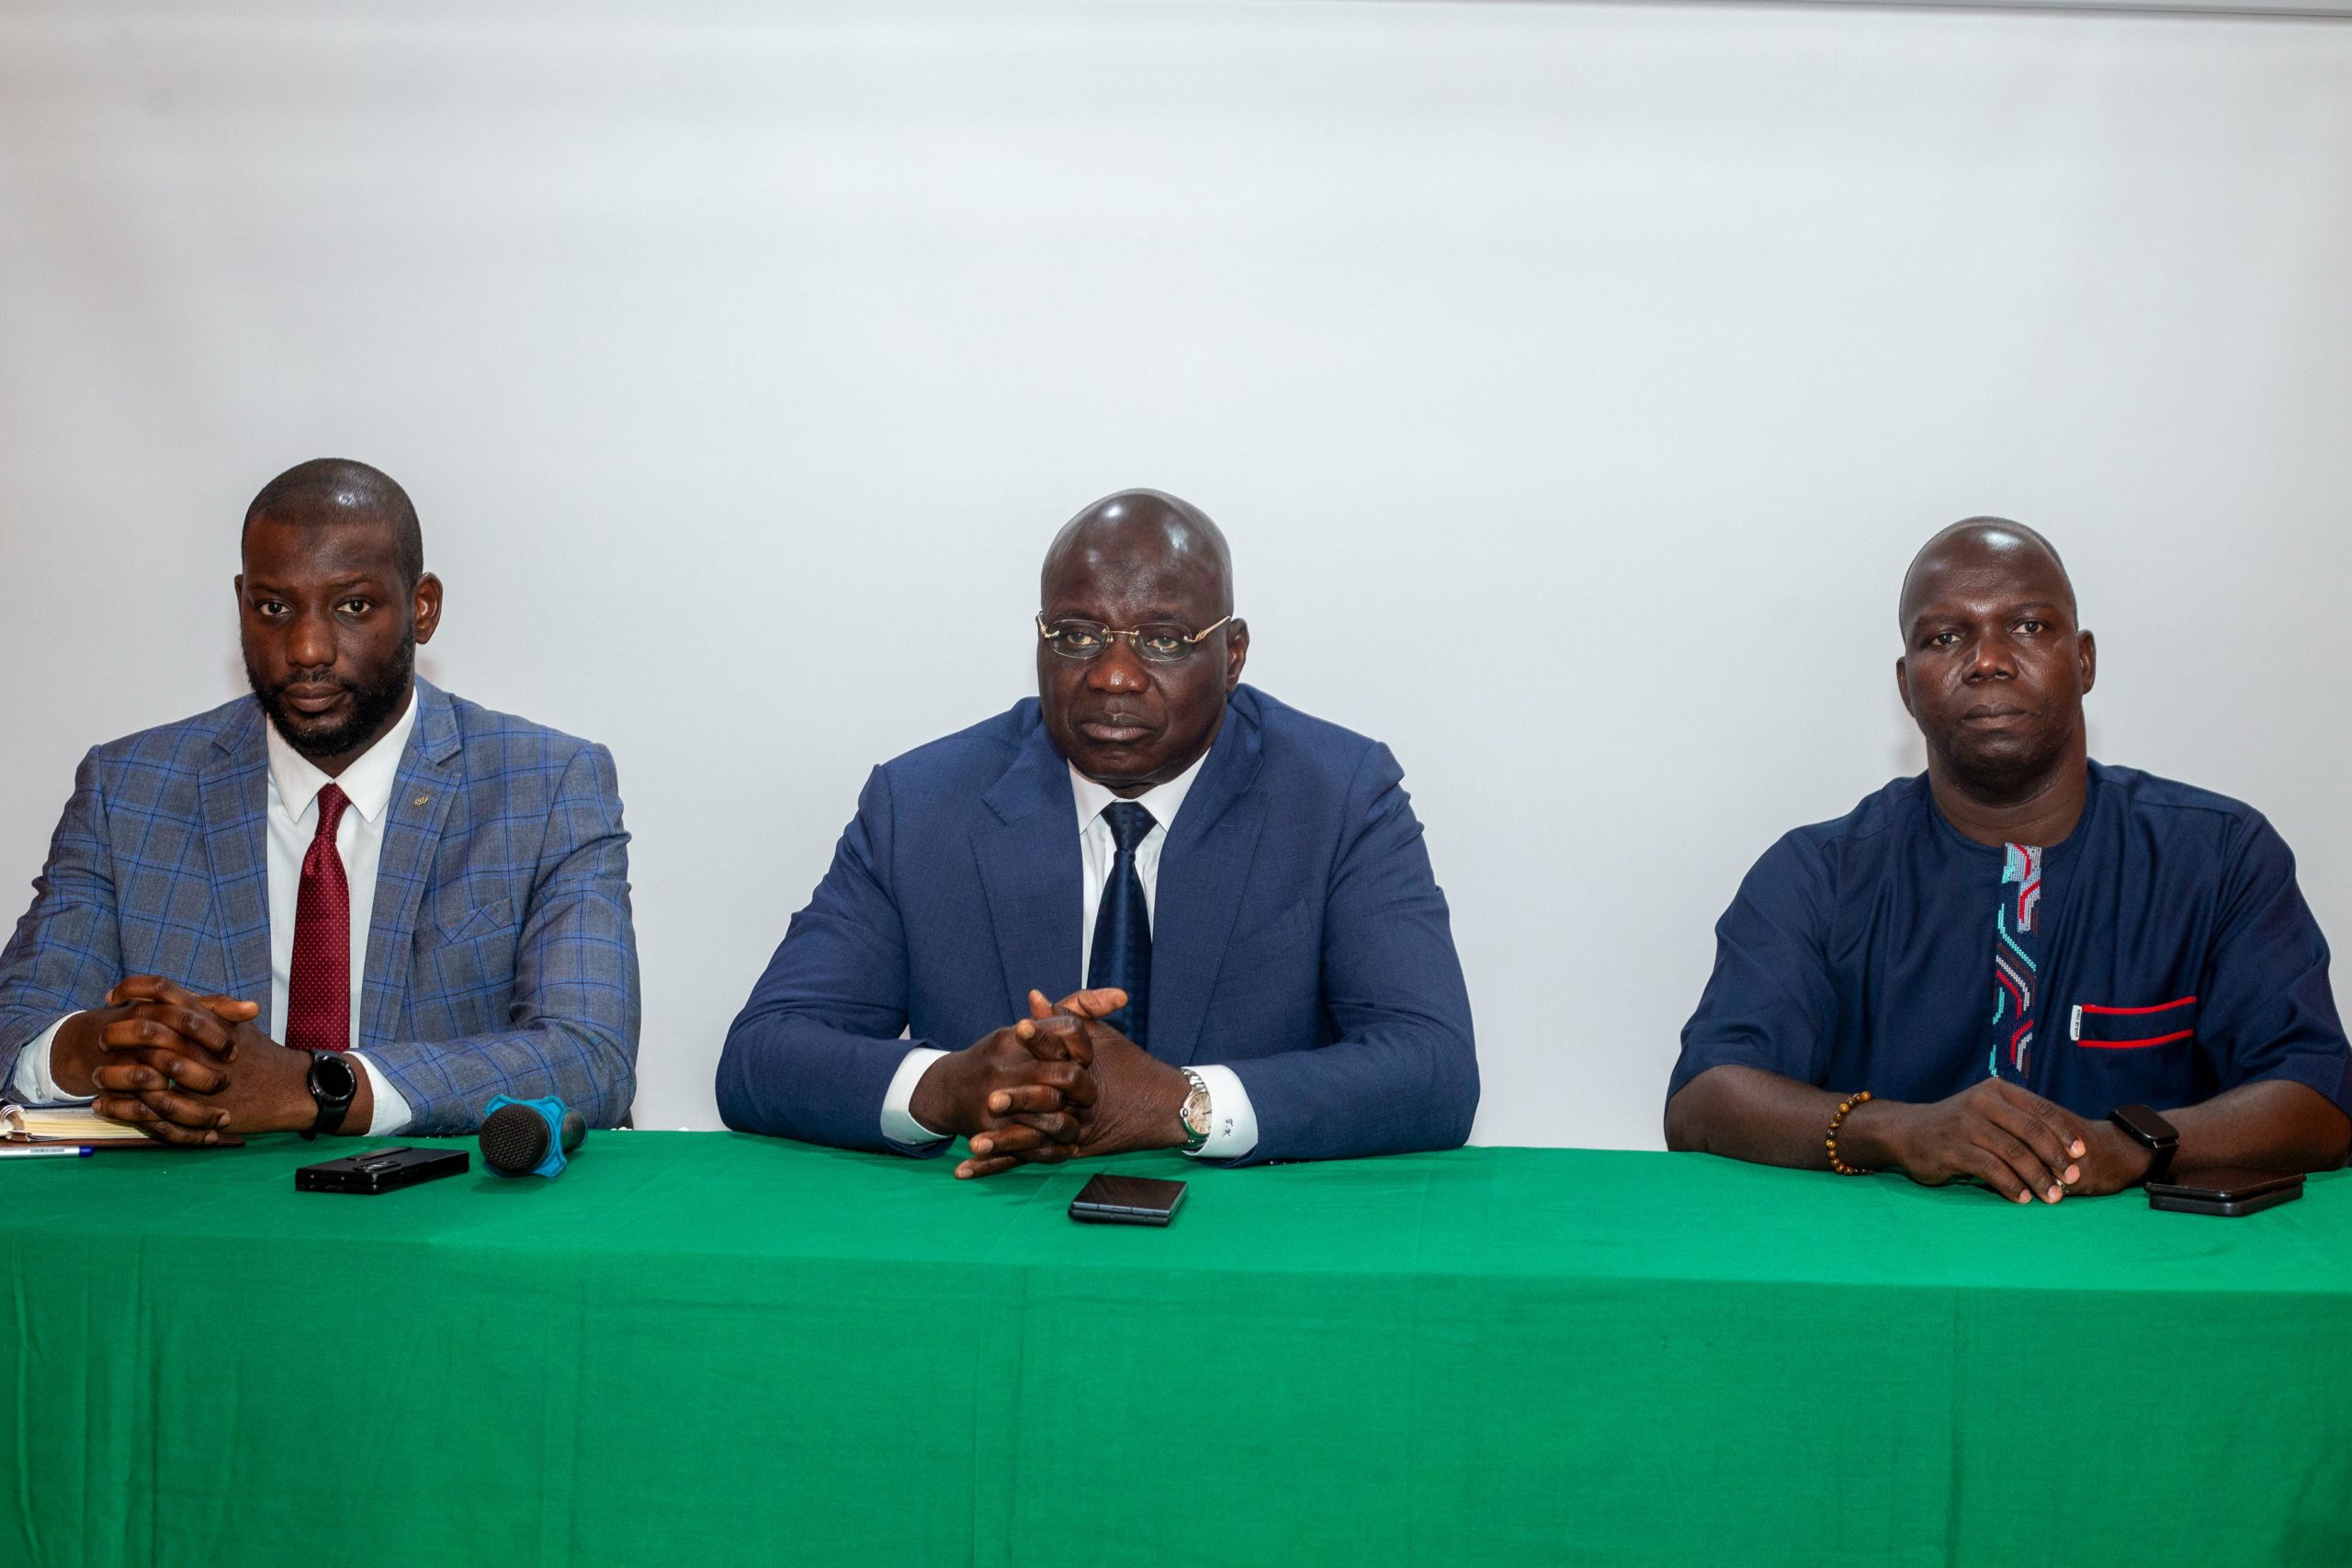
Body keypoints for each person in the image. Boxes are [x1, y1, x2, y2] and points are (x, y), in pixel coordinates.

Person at [718, 489, 1476, 1175]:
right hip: (993, 1242)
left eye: (1164, 639)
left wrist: (1182, 1102)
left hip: (1252, 1249)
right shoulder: (920, 805)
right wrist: (949, 1085)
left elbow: (1433, 1067)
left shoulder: (1339, 799)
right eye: (1077, 635)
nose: (1114, 674)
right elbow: (762, 1054)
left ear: (1232, 654)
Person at [1665, 518, 2350, 1201]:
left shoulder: (2220, 857)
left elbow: (2320, 1098)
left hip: (2147, 1263)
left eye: (2027, 626)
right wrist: (1896, 1131)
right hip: (1888, 1261)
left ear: (2084, 660)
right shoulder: (1818, 874)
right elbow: (1705, 1098)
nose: (1987, 659)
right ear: (1906, 686)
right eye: (1945, 637)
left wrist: (2131, 1145)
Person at [0, 459, 640, 1143]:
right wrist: (104, 1049)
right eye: (273, 608)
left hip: (440, 1203)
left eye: (352, 606)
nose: (306, 648)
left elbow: (588, 1056)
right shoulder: (128, 790)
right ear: (241, 601)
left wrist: (315, 1088)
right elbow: (16, 1027)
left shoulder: (546, 786)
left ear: (422, 607)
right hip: (196, 1198)